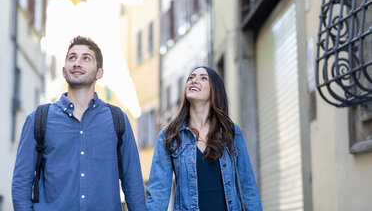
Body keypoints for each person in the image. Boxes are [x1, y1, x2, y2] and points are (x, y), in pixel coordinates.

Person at [12, 36, 147, 211]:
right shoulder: (38, 119)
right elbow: (21, 182)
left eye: (86, 58)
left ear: (99, 72)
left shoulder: (117, 120)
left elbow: (133, 182)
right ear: (63, 70)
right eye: (72, 58)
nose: (77, 63)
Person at [146, 66, 262, 211]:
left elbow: (248, 187)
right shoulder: (169, 136)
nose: (194, 81)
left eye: (203, 78)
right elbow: (158, 193)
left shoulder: (231, 133)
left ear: (215, 90)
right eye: (191, 78)